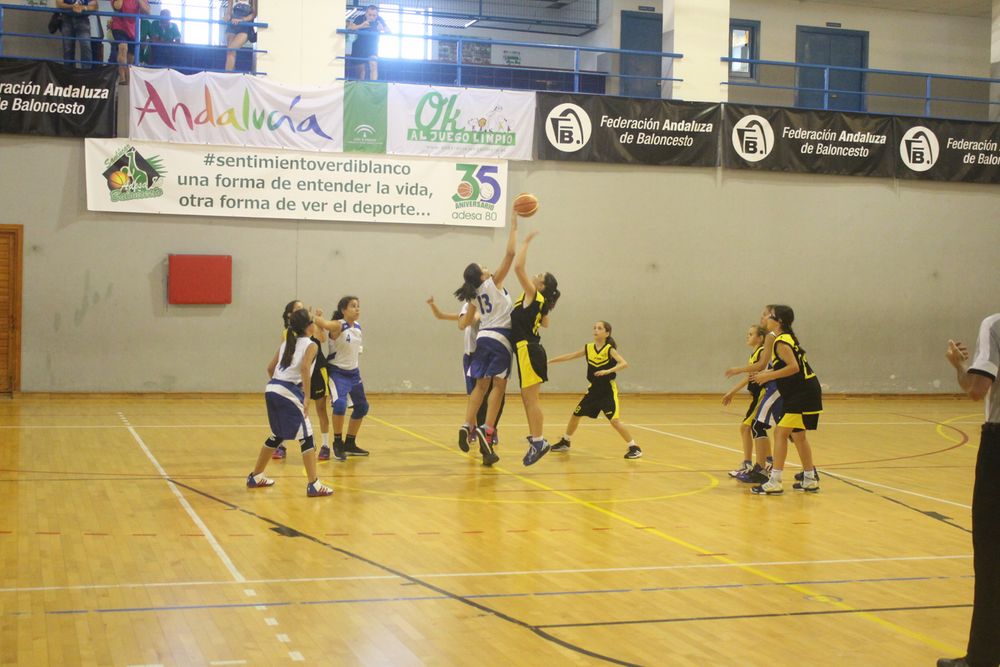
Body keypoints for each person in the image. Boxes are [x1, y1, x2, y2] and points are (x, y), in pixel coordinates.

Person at [937, 315, 1000, 667]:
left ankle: (984, 658)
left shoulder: (995, 325)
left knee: (992, 556)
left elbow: (977, 388)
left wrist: (959, 365)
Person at [246, 308, 333, 497]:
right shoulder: (311, 345)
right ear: (309, 326)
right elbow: (304, 368)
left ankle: (256, 475)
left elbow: (270, 368)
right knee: (307, 437)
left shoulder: (287, 343)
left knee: (277, 434)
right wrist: (307, 397)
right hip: (288, 392)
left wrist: (278, 384)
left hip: (272, 388)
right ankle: (314, 484)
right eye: (312, 321)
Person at [454, 213, 518, 466]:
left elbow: (466, 322)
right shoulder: (492, 283)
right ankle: (487, 428)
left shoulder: (472, 296)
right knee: (499, 387)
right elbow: (510, 255)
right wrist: (514, 226)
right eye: (483, 268)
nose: (487, 268)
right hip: (500, 339)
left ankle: (466, 424)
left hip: (482, 340)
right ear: (482, 276)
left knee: (481, 386)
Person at [749, 305, 822, 495]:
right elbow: (785, 366)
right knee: (798, 435)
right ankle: (809, 479)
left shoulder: (781, 341)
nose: (763, 318)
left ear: (778, 321)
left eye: (768, 315)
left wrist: (768, 376)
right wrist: (767, 372)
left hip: (802, 392)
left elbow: (793, 368)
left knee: (781, 433)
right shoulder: (778, 338)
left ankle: (775, 481)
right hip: (801, 391)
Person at [549, 321, 641, 459]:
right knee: (576, 414)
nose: (596, 330)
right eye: (595, 328)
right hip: (593, 391)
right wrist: (550, 361)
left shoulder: (609, 349)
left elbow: (624, 363)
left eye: (599, 328)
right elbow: (570, 355)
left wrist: (608, 370)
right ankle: (565, 442)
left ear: (607, 333)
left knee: (614, 421)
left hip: (607, 391)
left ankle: (634, 447)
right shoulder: (589, 348)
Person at [426, 296, 504, 446]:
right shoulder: (469, 306)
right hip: (471, 355)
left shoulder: (492, 306)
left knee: (490, 395)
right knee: (473, 394)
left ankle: (491, 429)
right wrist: (433, 306)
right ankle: (471, 427)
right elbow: (444, 316)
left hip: (487, 353)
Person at [510, 231, 560, 467]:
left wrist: (526, 243)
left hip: (528, 350)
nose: (534, 274)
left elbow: (518, 267)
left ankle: (539, 441)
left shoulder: (533, 295)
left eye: (539, 276)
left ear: (541, 285)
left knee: (532, 400)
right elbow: (545, 323)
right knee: (527, 398)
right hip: (528, 349)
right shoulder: (534, 300)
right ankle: (535, 437)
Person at [314, 296, 370, 460]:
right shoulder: (338, 325)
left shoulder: (358, 327)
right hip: (338, 372)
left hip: (354, 373)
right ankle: (337, 443)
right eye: (353, 306)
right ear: (343, 310)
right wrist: (316, 316)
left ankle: (350, 443)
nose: (357, 309)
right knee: (339, 405)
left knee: (362, 407)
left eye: (358, 306)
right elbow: (324, 324)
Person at [722, 323, 773, 484]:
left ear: (761, 337)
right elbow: (749, 377)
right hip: (757, 395)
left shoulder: (762, 353)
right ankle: (768, 460)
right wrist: (732, 391)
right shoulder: (755, 354)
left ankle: (748, 463)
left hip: (763, 394)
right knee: (758, 428)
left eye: (751, 334)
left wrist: (738, 369)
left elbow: (756, 371)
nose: (748, 336)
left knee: (746, 427)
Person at [110, 0, 151, 85]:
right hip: (119, 26)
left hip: (133, 28)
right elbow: (117, 7)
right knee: (123, 48)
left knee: (131, 57)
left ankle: (127, 78)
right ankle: (122, 77)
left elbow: (147, 12)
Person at [346, 5, 389, 81]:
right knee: (361, 70)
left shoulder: (379, 20)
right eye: (370, 15)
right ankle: (361, 86)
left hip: (372, 46)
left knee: (373, 64)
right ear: (366, 13)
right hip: (359, 46)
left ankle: (373, 85)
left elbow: (389, 32)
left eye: (374, 15)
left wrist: (382, 29)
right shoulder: (360, 18)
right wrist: (361, 26)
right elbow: (350, 27)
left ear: (377, 15)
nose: (372, 17)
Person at [56, 0, 97, 68]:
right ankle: (69, 73)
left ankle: (86, 74)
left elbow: (95, 6)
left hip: (82, 19)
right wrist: (72, 7)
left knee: (86, 46)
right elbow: (59, 4)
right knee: (68, 49)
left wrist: (83, 7)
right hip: (67, 19)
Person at [224, 0, 258, 72]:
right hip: (232, 26)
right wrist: (227, 17)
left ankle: (228, 75)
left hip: (245, 27)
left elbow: (254, 14)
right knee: (230, 52)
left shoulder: (253, 1)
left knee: (231, 49)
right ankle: (229, 75)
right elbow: (228, 12)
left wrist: (243, 19)